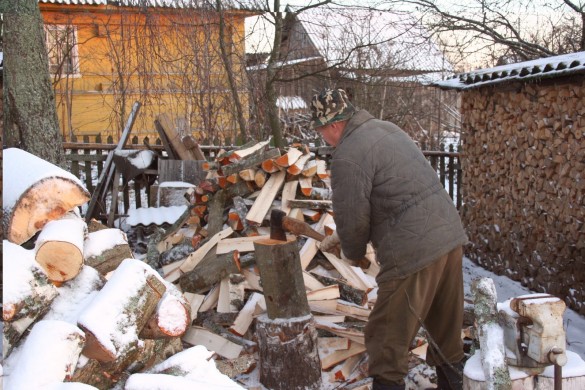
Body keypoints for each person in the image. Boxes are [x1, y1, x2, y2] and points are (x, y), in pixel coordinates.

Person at [312, 88, 468, 390]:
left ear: (333, 124)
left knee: (386, 340)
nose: (323, 139)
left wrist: (353, 251)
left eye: (321, 132)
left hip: (413, 249)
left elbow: (352, 215)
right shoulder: (386, 129)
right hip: (449, 236)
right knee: (446, 333)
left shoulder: (348, 154)